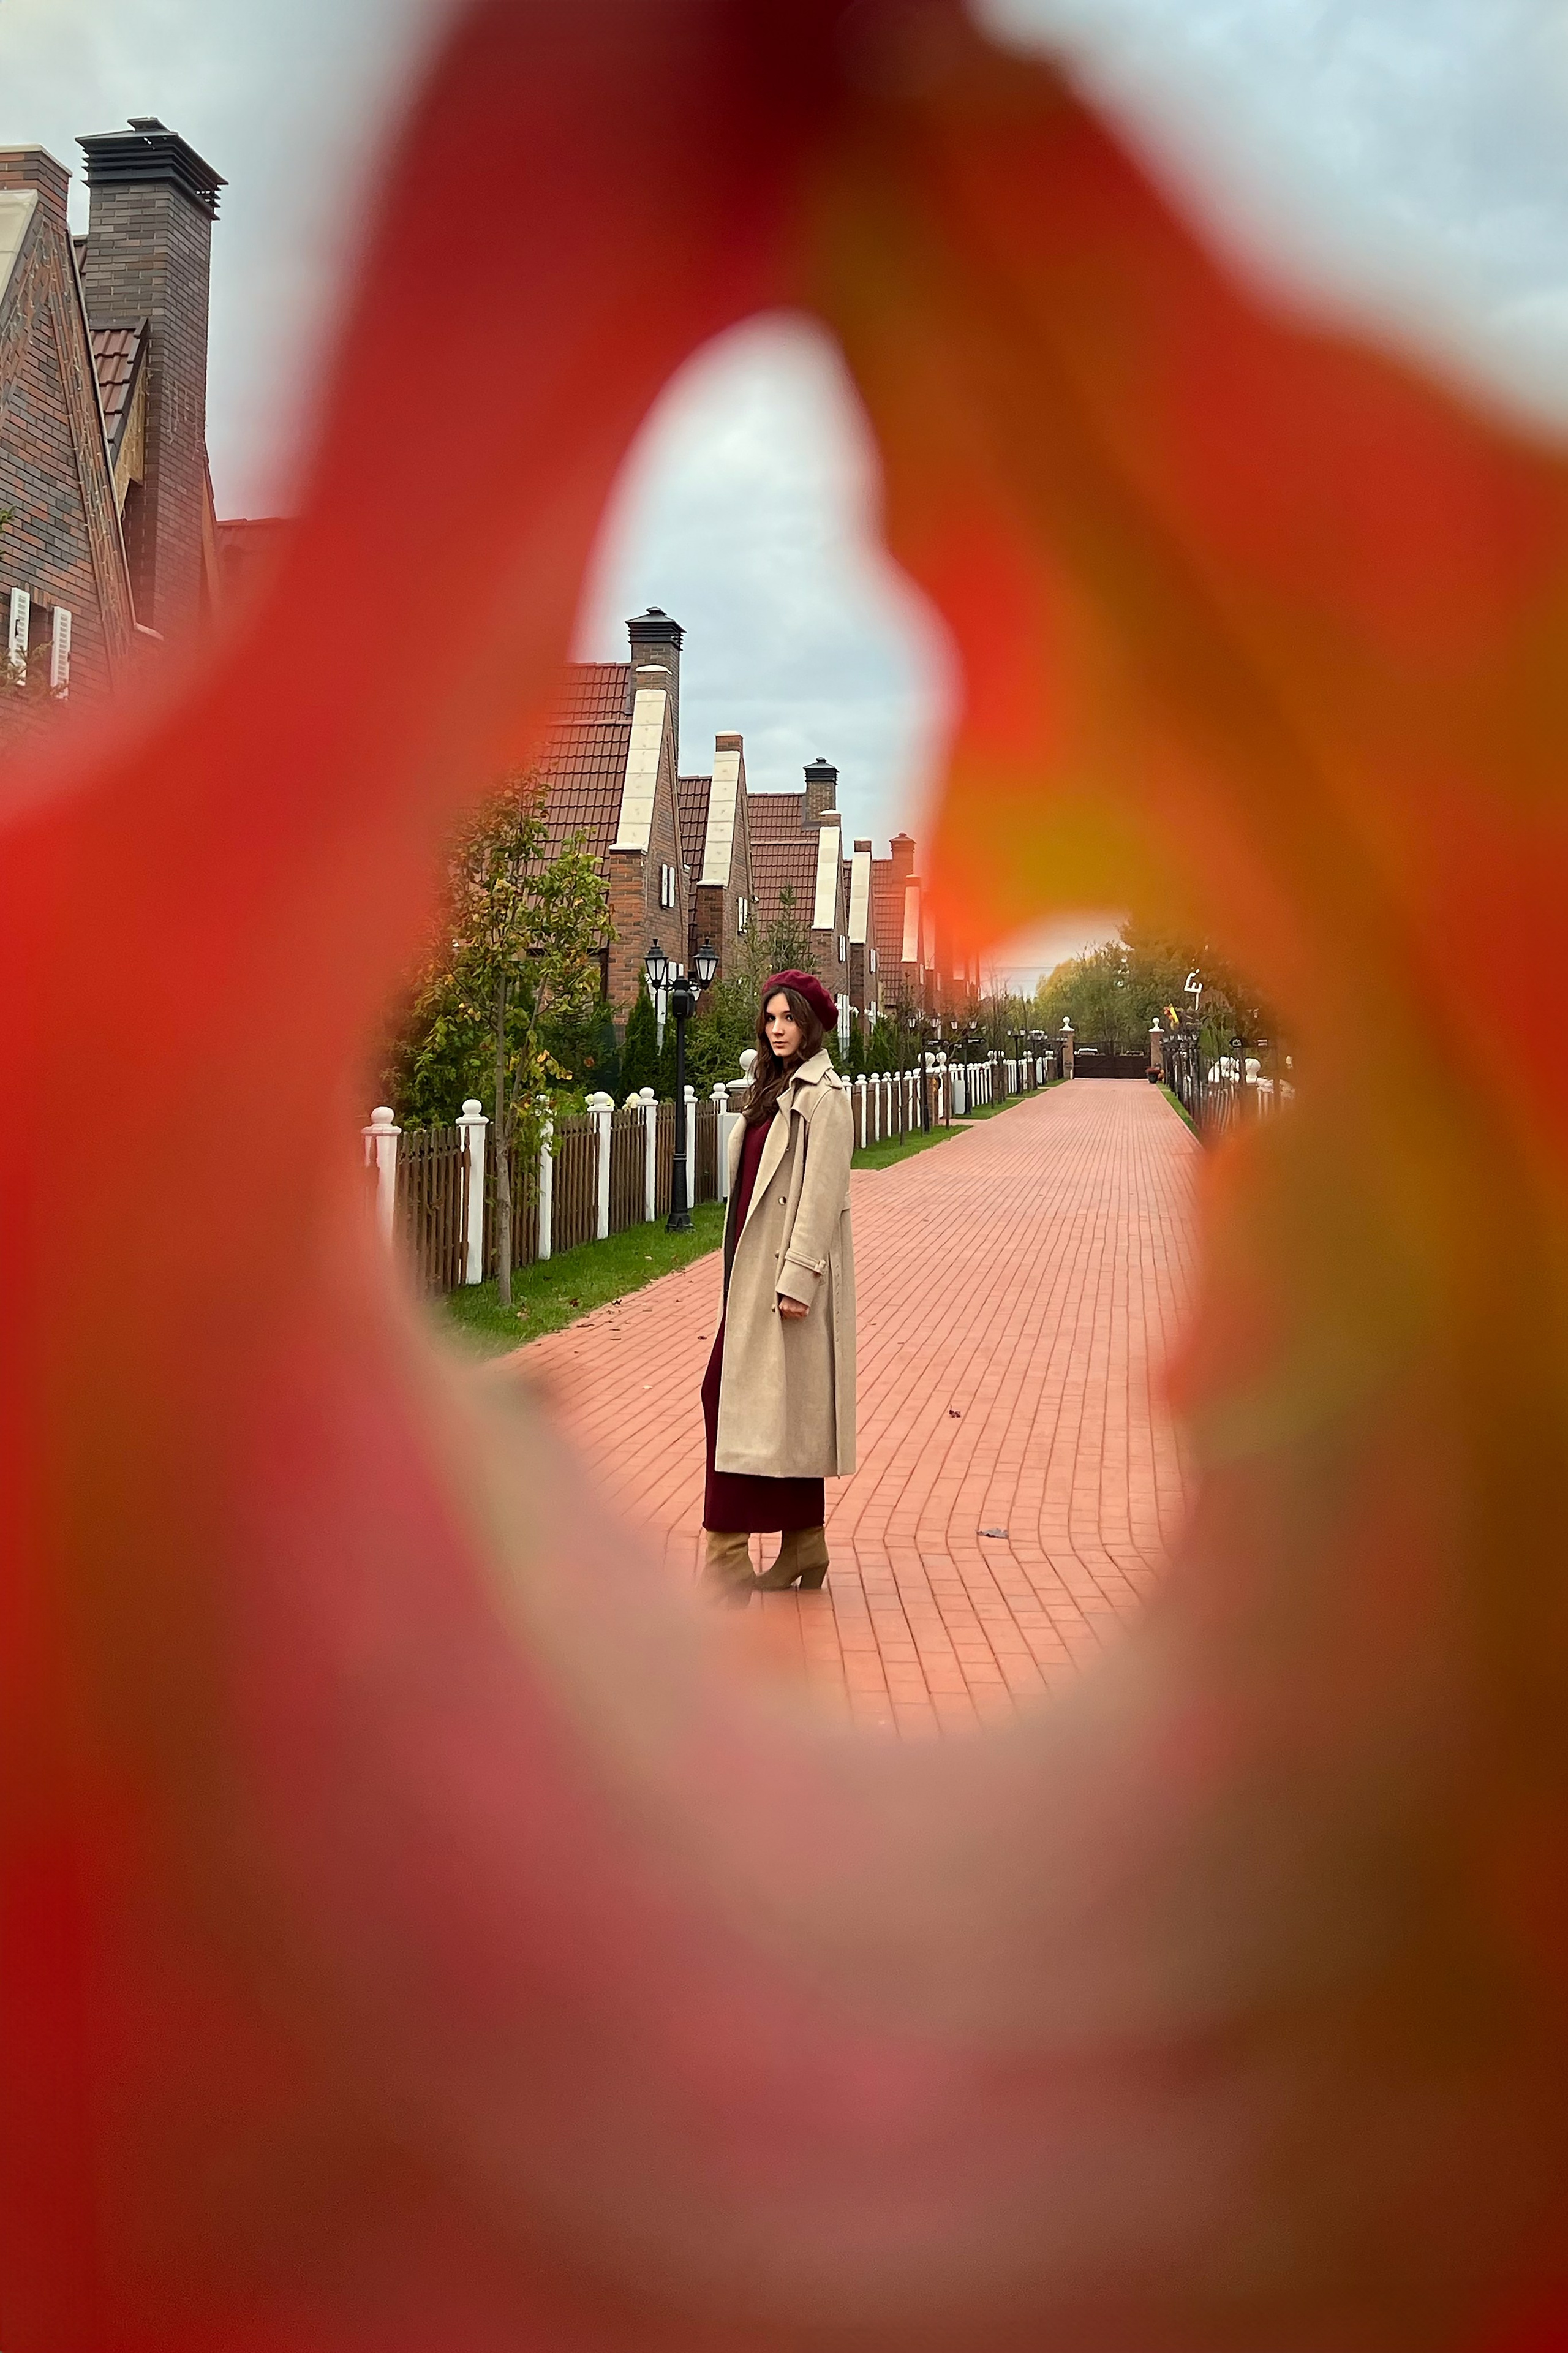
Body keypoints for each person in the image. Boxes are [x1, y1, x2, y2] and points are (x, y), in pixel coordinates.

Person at [699, 970, 858, 1603]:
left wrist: (797, 1280)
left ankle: (726, 1554)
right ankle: (803, 1543)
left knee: (728, 1395)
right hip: (750, 1266)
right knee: (772, 1408)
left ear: (811, 1024)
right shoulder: (771, 1088)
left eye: (788, 1018)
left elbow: (822, 1198)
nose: (777, 1028)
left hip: (785, 1277)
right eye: (770, 1018)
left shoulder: (825, 1096)